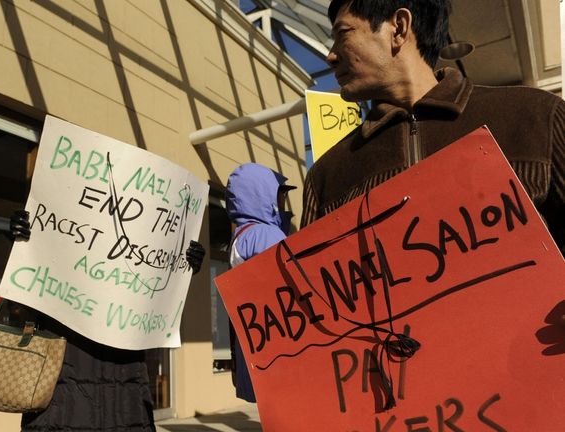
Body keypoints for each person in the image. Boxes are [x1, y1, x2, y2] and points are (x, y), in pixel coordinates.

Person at [301, 0, 564, 254]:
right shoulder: (327, 176)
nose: (330, 56)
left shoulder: (536, 115)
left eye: (343, 33)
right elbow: (309, 291)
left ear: (399, 28)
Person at [8, 210, 205, 432]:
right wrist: (23, 247)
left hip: (125, 391)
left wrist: (181, 265)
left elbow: (159, 299)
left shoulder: (134, 261)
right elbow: (20, 304)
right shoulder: (56, 242)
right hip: (63, 394)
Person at [224, 163, 296, 402]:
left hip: (257, 343)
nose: (284, 200)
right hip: (282, 345)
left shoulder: (242, 235)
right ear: (264, 196)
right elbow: (293, 281)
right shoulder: (265, 235)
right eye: (281, 193)